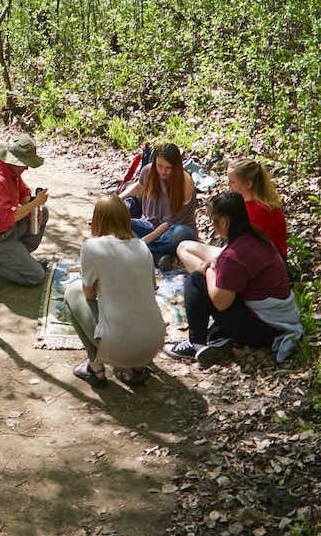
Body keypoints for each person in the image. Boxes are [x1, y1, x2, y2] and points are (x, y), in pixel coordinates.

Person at [167, 191, 302, 367]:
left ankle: (196, 343)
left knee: (195, 280)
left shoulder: (234, 257)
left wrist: (208, 269)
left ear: (224, 222)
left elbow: (220, 302)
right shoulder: (255, 237)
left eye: (213, 220)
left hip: (267, 329)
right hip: (277, 320)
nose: (212, 225)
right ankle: (221, 336)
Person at [63, 196, 167, 389]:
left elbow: (89, 295)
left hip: (119, 347)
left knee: (71, 291)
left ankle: (95, 368)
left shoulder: (91, 246)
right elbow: (152, 287)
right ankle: (136, 371)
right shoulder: (142, 246)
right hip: (154, 344)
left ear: (97, 220)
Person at [0, 133, 51, 286]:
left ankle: (17, 260)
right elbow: (9, 216)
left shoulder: (11, 171)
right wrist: (33, 205)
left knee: (43, 211)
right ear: (12, 160)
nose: (27, 167)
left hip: (7, 229)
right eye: (24, 163)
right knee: (36, 277)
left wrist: (34, 208)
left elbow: (24, 193)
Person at [121, 141, 200, 268]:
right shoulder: (148, 171)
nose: (163, 171)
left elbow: (168, 224)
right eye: (159, 166)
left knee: (181, 234)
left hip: (171, 231)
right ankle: (157, 257)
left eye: (168, 168)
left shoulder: (185, 182)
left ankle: (142, 251)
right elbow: (139, 187)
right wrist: (118, 199)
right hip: (149, 225)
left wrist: (143, 242)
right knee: (120, 222)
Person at [228, 160, 288, 258]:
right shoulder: (243, 203)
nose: (228, 184)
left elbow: (261, 250)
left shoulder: (261, 211)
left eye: (233, 182)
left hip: (267, 264)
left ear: (248, 184)